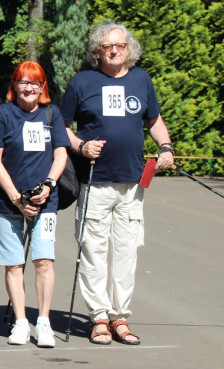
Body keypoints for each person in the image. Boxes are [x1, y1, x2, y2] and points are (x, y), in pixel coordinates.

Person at [62, 22, 174, 346]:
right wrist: (80, 146)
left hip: (133, 181)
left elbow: (154, 120)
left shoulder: (142, 79)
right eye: (108, 45)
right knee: (94, 251)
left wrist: (165, 147)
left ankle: (120, 317)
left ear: (129, 49)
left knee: (126, 252)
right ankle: (98, 318)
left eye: (120, 45)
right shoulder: (82, 82)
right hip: (94, 181)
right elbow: (62, 126)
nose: (114, 50)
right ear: (98, 50)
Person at [0, 61, 70, 348]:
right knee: (13, 263)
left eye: (35, 82)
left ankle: (43, 321)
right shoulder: (2, 115)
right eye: (24, 82)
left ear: (43, 87)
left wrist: (48, 184)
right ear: (14, 85)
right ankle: (21, 321)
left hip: (45, 201)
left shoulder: (51, 114)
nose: (29, 87)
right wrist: (16, 198)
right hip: (7, 202)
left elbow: (60, 155)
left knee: (44, 261)